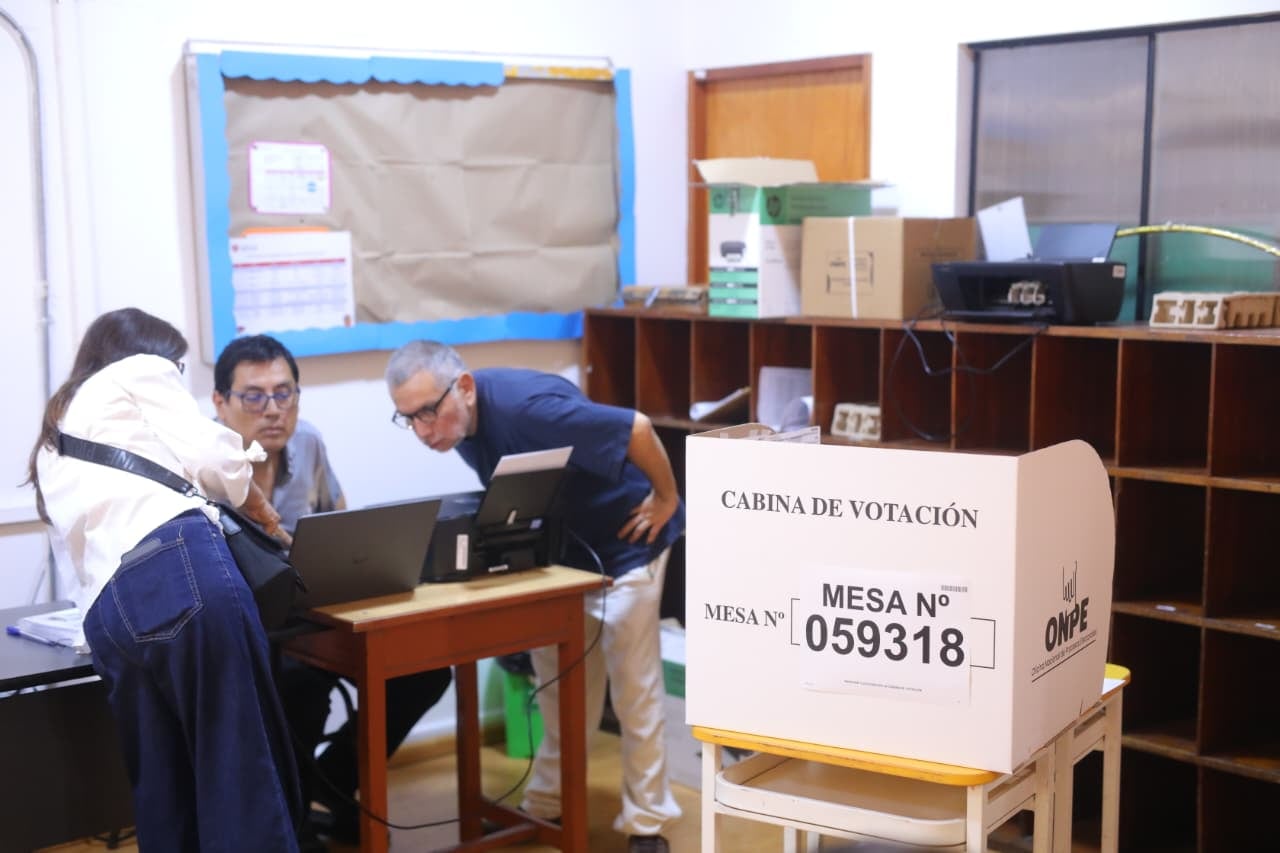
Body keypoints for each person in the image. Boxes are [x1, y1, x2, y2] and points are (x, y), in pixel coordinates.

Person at [384, 340, 684, 853]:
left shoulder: (529, 409)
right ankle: (548, 801)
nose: (423, 431)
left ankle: (647, 822)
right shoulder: (458, 424)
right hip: (565, 552)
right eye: (408, 418)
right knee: (560, 685)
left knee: (634, 690)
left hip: (628, 538)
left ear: (466, 388)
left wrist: (667, 496)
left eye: (429, 413)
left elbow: (635, 427)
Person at [27, 308, 301, 852]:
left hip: (111, 616)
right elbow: (214, 459)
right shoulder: (139, 371)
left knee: (164, 794)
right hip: (182, 574)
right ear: (151, 353)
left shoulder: (54, 437)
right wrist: (261, 506)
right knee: (238, 775)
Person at [213, 334, 453, 846]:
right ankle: (294, 817)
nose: (273, 410)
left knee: (426, 669)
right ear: (220, 403)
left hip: (316, 613)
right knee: (299, 685)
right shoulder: (202, 466)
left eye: (285, 394)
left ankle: (331, 784)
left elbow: (341, 525)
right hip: (245, 629)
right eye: (254, 396)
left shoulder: (308, 442)